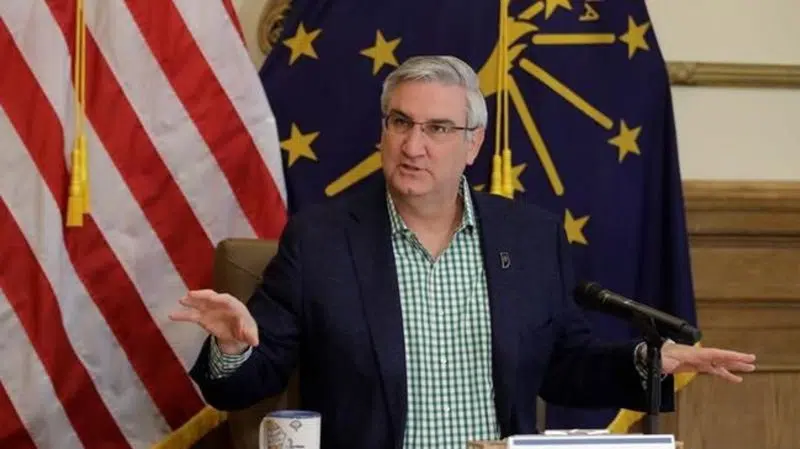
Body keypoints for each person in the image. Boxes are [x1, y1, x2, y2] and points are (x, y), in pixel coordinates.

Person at [171, 55, 756, 449]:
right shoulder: (321, 240)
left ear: (473, 143)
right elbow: (246, 384)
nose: (414, 146)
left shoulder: (530, 238)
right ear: (382, 131)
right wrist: (231, 347)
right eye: (401, 122)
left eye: (438, 129)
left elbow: (564, 365)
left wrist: (649, 362)